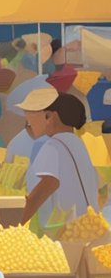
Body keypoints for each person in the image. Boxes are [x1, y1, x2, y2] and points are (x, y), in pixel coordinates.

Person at [16, 89, 100, 227]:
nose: (28, 125)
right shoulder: (77, 143)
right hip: (85, 227)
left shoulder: (52, 146)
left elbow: (45, 188)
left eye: (30, 118)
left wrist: (18, 226)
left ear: (50, 116)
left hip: (62, 232)